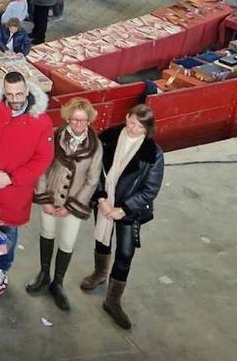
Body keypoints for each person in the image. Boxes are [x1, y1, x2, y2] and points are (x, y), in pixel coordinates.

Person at [80, 105, 165, 330]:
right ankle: (99, 274)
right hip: (104, 202)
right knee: (101, 240)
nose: (133, 128)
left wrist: (123, 209)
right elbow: (94, 169)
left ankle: (113, 300)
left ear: (147, 128)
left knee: (125, 253)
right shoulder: (108, 137)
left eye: (139, 126)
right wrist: (101, 199)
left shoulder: (153, 153)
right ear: (126, 117)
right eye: (130, 122)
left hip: (128, 211)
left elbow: (150, 189)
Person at [0, 72, 55, 296]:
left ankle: (2, 270)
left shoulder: (42, 122)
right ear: (3, 91)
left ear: (27, 91)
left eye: (19, 93)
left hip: (15, 192)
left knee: (8, 235)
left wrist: (12, 178)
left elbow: (43, 158)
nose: (15, 99)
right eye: (10, 94)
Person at [26, 97, 102, 312]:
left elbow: (92, 179)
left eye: (83, 121)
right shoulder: (54, 136)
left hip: (73, 204)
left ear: (89, 121)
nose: (78, 125)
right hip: (50, 198)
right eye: (75, 120)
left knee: (67, 242)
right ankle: (44, 273)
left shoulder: (95, 146)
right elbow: (42, 167)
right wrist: (44, 198)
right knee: (46, 233)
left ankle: (57, 283)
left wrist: (72, 206)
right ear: (67, 118)